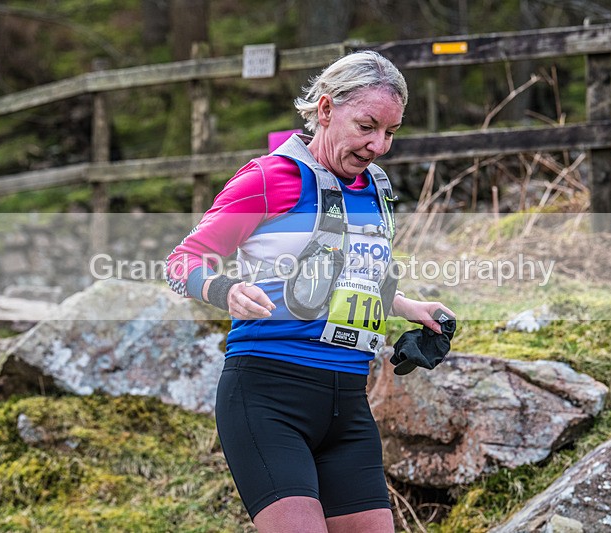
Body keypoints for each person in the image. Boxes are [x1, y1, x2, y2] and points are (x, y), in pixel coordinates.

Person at [165, 51, 455, 533]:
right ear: (325, 110)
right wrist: (222, 289)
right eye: (367, 126)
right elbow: (181, 262)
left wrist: (408, 306)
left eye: (390, 132)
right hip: (268, 397)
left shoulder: (374, 188)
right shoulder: (268, 178)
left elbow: (345, 278)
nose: (379, 145)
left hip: (348, 404)